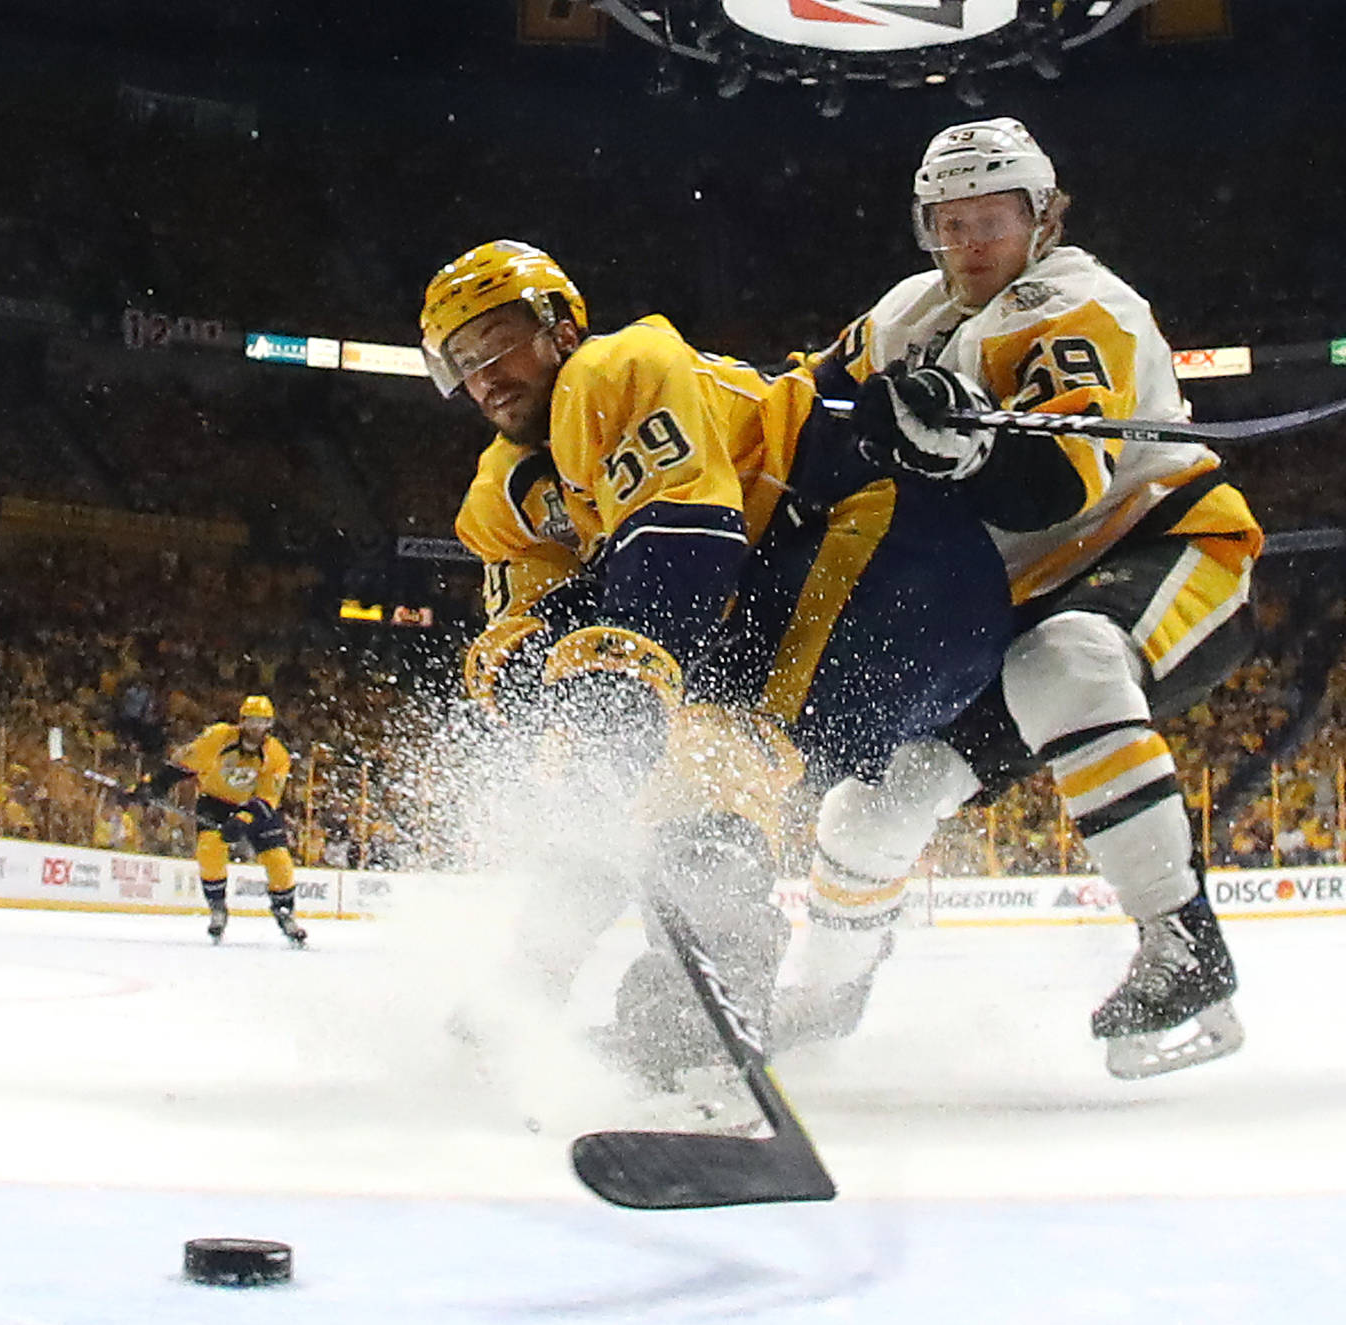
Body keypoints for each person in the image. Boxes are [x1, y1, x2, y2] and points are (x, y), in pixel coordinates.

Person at [421, 239, 1012, 1093]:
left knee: (704, 749)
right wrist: (565, 705)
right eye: (462, 363)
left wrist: (612, 688)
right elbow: (515, 641)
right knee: (600, 766)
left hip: (895, 557)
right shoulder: (498, 496)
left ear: (559, 326)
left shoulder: (619, 367)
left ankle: (702, 1011)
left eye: (498, 340)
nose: (485, 376)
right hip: (777, 597)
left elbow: (681, 550)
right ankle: (538, 975)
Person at [786, 118, 1266, 1080]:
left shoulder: (1082, 306)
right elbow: (793, 406)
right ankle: (823, 994)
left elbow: (1058, 482)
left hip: (1162, 546)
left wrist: (955, 447)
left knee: (1070, 660)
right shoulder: (908, 314)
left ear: (1044, 220)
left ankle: (1184, 943)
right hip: (1010, 610)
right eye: (949, 223)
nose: (969, 246)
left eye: (991, 222)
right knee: (874, 807)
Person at [122, 695, 305, 946]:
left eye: (262, 722)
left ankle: (285, 911)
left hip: (256, 807)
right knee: (209, 849)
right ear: (241, 721)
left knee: (279, 859)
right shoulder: (218, 738)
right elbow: (183, 766)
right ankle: (218, 908)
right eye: (251, 721)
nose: (256, 727)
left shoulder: (277, 755)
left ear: (270, 724)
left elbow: (267, 796)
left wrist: (242, 819)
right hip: (216, 802)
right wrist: (152, 786)